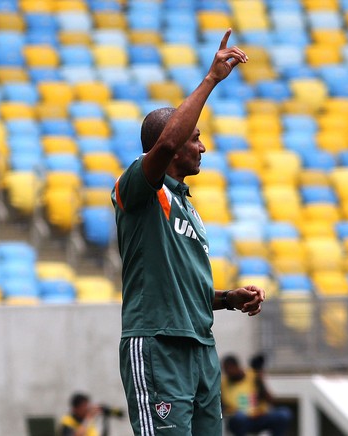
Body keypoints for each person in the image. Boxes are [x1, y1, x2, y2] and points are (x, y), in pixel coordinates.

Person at [112, 29, 265, 436]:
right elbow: (161, 146)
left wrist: (228, 299)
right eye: (194, 139)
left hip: (199, 348)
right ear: (174, 144)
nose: (202, 147)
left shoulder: (187, 205)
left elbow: (182, 289)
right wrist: (210, 79)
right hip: (159, 347)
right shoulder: (140, 190)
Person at [221, 354, 292, 436]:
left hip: (259, 417)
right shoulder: (223, 384)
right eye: (225, 370)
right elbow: (222, 408)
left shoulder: (253, 375)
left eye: (229, 369)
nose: (228, 372)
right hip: (240, 421)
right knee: (239, 417)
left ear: (236, 366)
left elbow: (270, 400)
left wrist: (261, 381)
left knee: (284, 414)